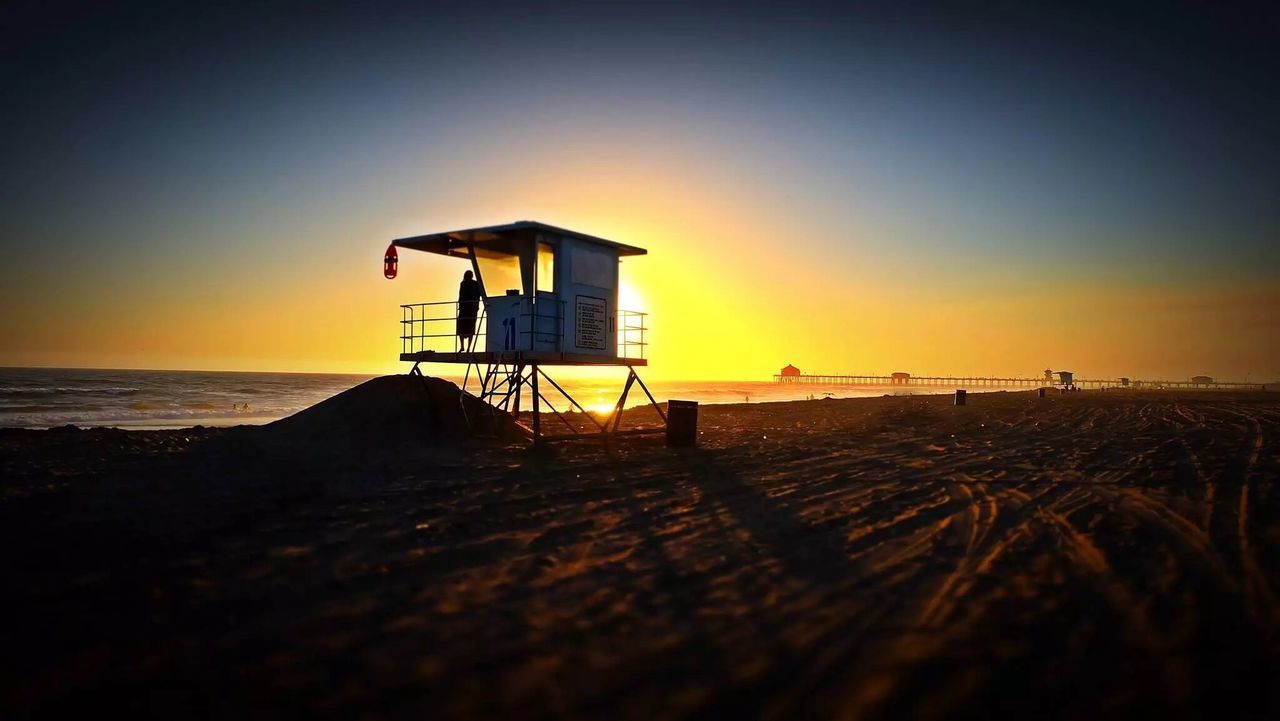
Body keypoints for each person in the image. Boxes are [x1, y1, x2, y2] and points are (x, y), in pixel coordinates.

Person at [456, 270, 482, 350]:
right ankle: (468, 348)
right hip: (472, 309)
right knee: (470, 328)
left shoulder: (463, 284)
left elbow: (461, 296)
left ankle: (463, 346)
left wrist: (460, 306)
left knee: (461, 328)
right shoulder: (475, 284)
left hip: (465, 309)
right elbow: (479, 294)